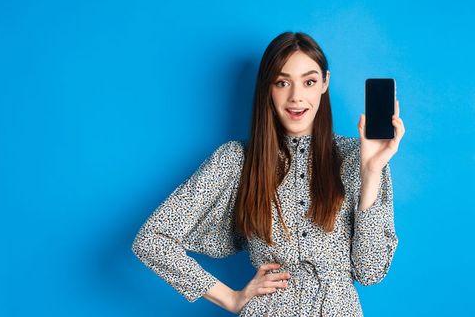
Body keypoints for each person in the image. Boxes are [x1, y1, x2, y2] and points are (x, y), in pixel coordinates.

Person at [132, 31, 405, 316]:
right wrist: (231, 298)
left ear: (325, 83)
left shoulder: (358, 157)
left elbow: (370, 272)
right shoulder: (237, 160)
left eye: (309, 82)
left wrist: (371, 171)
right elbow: (151, 240)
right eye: (282, 82)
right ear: (268, 87)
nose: (296, 97)